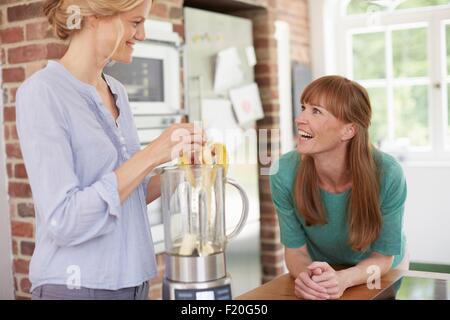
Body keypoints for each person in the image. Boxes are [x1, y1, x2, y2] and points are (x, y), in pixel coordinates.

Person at [16, 0, 204, 300]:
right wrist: (154, 152)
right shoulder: (42, 93)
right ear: (94, 18)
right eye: (135, 22)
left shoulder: (117, 91)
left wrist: (184, 172)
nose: (142, 35)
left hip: (135, 284)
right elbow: (63, 220)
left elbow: (129, 194)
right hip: (76, 286)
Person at [269, 75, 408, 300]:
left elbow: (382, 257)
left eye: (316, 111)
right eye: (303, 107)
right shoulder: (283, 172)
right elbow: (296, 252)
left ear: (348, 131)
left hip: (379, 271)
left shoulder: (388, 174)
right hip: (324, 271)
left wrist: (344, 278)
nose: (299, 119)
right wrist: (309, 279)